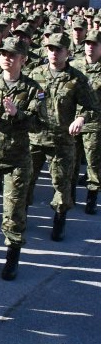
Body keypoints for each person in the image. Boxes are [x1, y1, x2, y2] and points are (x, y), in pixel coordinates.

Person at [0, 37, 46, 280]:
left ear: (23, 60)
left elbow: (39, 125)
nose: (6, 58)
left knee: (14, 211)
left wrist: (18, 114)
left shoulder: (34, 89)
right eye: (3, 53)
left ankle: (12, 259)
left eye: (12, 55)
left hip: (17, 159)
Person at [27, 32, 100, 240]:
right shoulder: (35, 74)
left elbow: (92, 106)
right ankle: (20, 218)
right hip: (35, 138)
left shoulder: (77, 78)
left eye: (59, 49)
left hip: (61, 141)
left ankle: (59, 221)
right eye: (50, 48)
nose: (54, 53)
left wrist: (81, 118)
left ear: (68, 52)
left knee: (62, 183)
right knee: (25, 181)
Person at [72, 29, 101, 214]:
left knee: (93, 164)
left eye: (95, 44)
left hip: (95, 125)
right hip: (73, 123)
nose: (90, 47)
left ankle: (92, 198)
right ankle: (69, 196)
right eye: (88, 43)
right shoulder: (75, 65)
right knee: (71, 163)